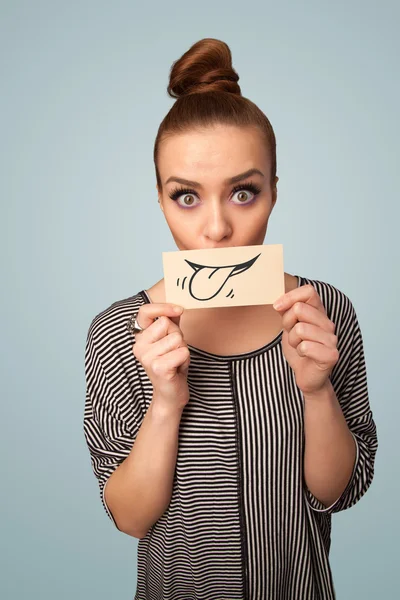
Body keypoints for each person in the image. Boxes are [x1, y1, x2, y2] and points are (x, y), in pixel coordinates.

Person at [83, 38, 378, 600]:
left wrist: (317, 393)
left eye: (243, 192)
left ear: (273, 192)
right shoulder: (122, 330)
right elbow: (128, 517)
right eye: (186, 197)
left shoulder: (324, 311)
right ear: (160, 199)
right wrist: (166, 402)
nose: (216, 229)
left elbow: (340, 491)